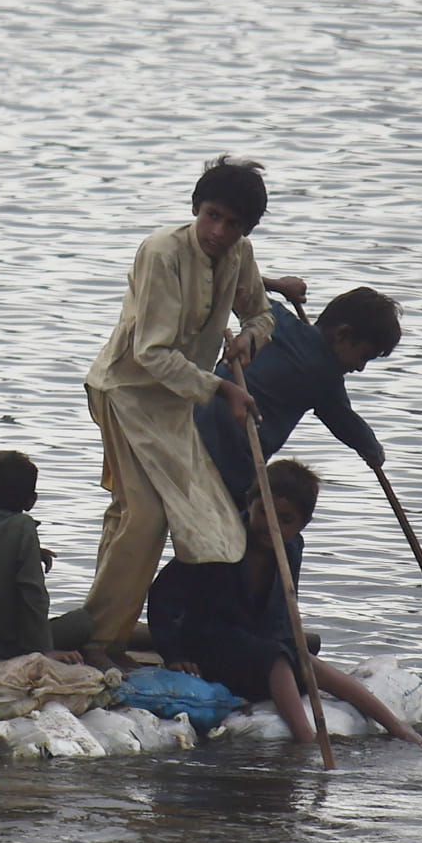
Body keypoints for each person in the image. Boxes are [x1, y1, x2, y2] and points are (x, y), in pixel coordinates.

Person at [80, 155, 276, 668]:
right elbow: (151, 352)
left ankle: (103, 626)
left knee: (133, 514)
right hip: (125, 391)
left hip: (173, 404)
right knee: (145, 517)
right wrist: (220, 389)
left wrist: (249, 341)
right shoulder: (161, 252)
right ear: (197, 209)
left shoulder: (239, 255)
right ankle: (102, 641)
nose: (219, 231)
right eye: (212, 216)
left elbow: (259, 312)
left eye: (233, 224)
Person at [146, 459, 422, 748]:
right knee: (278, 658)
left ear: (302, 523)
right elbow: (163, 595)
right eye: (264, 513)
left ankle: (397, 727)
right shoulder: (220, 541)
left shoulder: (292, 549)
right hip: (213, 645)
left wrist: (289, 650)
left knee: (305, 660)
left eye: (286, 520)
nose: (273, 526)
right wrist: (174, 652)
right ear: (251, 503)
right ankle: (308, 741)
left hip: (257, 647)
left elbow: (280, 613)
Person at [196, 285, 402, 504]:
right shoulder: (325, 378)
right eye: (363, 356)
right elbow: (345, 422)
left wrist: (276, 285)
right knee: (240, 518)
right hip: (233, 460)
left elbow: (236, 283)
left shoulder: (275, 318)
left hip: (193, 421)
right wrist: (373, 451)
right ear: (342, 334)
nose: (360, 368)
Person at [0, 451, 83, 664]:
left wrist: (35, 553)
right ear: (31, 501)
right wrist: (44, 650)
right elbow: (33, 594)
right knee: (85, 622)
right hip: (8, 648)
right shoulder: (23, 526)